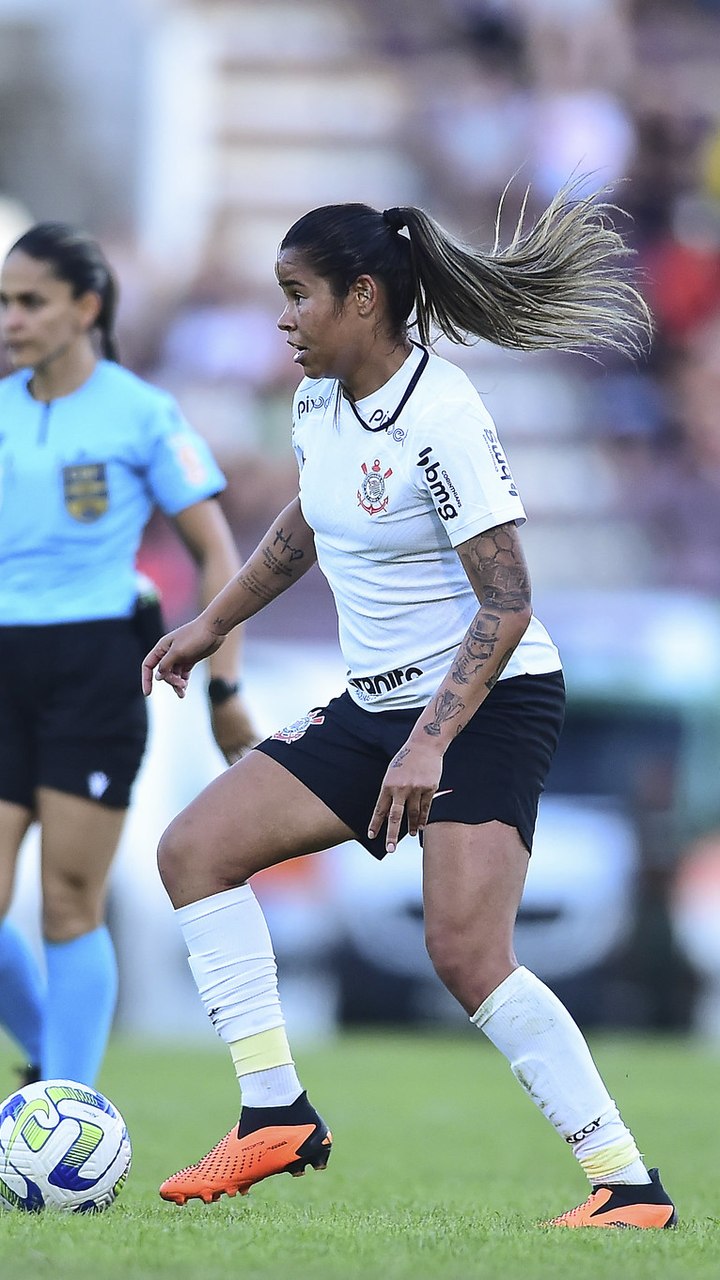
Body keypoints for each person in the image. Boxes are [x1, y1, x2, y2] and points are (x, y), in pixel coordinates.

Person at [143, 187, 676, 1228]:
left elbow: (510, 601)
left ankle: (626, 1182)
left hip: (487, 703)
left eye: (299, 297)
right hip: (379, 705)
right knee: (192, 851)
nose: (285, 319)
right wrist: (213, 619)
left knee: (466, 952)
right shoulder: (314, 401)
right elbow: (309, 518)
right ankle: (274, 1111)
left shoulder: (446, 415)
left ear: (365, 295)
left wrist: (429, 742)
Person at [0, 221, 257, 1090]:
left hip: (95, 668)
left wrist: (226, 687)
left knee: (70, 899)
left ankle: (68, 1104)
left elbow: (221, 556)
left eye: (30, 302)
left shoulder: (142, 414)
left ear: (86, 306)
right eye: (3, 302)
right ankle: (49, 1067)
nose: (11, 319)